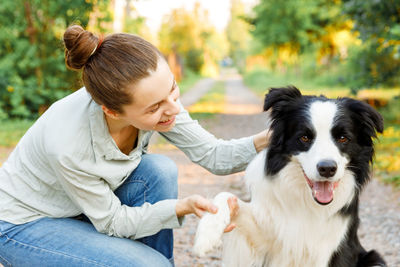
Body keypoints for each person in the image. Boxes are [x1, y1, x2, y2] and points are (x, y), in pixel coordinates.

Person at [0, 25, 269, 266]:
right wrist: (181, 207)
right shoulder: (68, 144)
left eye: (173, 89)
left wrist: (271, 138)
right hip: (23, 224)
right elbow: (112, 222)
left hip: (81, 206)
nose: (173, 108)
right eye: (155, 107)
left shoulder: (157, 98)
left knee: (159, 171)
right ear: (112, 112)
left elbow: (213, 155)